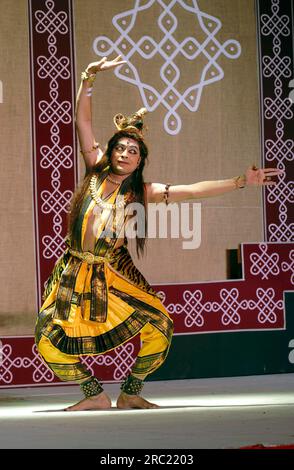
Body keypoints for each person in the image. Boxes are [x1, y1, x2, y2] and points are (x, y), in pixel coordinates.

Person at [35, 56, 283, 411]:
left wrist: (240, 181)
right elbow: (83, 120)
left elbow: (193, 190)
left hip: (113, 273)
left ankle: (131, 391)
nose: (124, 153)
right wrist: (88, 77)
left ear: (139, 162)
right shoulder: (93, 173)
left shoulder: (141, 193)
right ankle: (94, 395)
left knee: (161, 326)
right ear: (108, 152)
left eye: (132, 151)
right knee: (47, 339)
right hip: (72, 273)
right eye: (119, 147)